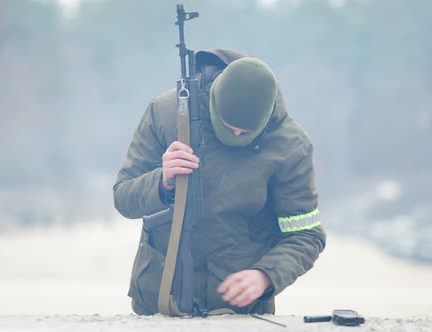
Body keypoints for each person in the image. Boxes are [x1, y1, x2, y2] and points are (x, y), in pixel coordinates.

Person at [113, 49, 326, 316]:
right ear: (213, 101)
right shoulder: (166, 113)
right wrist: (162, 179)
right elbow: (122, 197)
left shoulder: (291, 146)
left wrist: (266, 274)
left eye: (245, 132)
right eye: (227, 125)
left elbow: (306, 234)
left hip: (242, 312)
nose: (235, 135)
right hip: (159, 302)